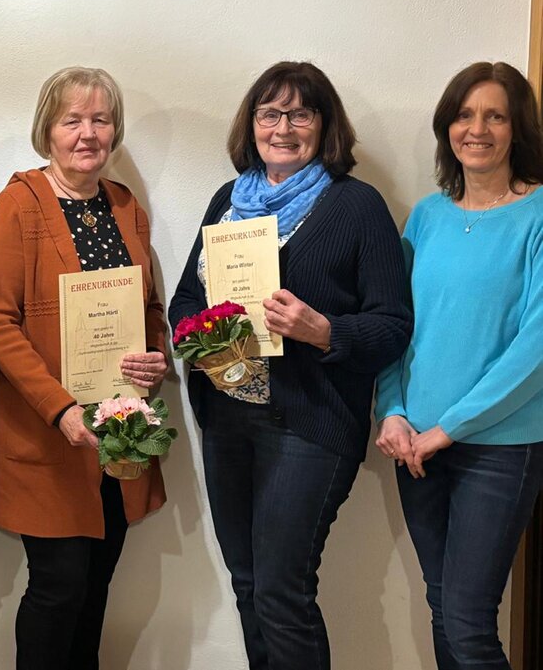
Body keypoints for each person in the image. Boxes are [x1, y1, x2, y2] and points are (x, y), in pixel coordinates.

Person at [168, 61, 411, 669]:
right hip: (227, 421)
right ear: (251, 124)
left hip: (310, 426)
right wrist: (196, 337)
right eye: (269, 113)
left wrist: (323, 329)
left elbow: (393, 325)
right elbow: (184, 302)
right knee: (249, 587)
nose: (283, 127)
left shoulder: (356, 206)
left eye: (300, 113)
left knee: (282, 593)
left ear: (323, 126)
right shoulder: (229, 201)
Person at [0, 66, 168, 670]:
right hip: (45, 436)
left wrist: (154, 357)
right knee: (58, 589)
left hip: (119, 435)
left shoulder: (125, 206)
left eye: (100, 119)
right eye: (72, 120)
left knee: (96, 587)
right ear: (48, 131)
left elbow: (150, 307)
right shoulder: (18, 204)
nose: (87, 133)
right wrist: (59, 408)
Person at [375, 61, 543, 670]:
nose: (479, 129)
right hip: (415, 446)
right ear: (448, 127)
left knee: (470, 627)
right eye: (466, 115)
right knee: (444, 611)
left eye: (496, 115)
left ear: (517, 128)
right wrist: (392, 411)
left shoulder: (539, 215)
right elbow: (395, 325)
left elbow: (536, 348)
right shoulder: (426, 216)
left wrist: (451, 428)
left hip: (496, 449)